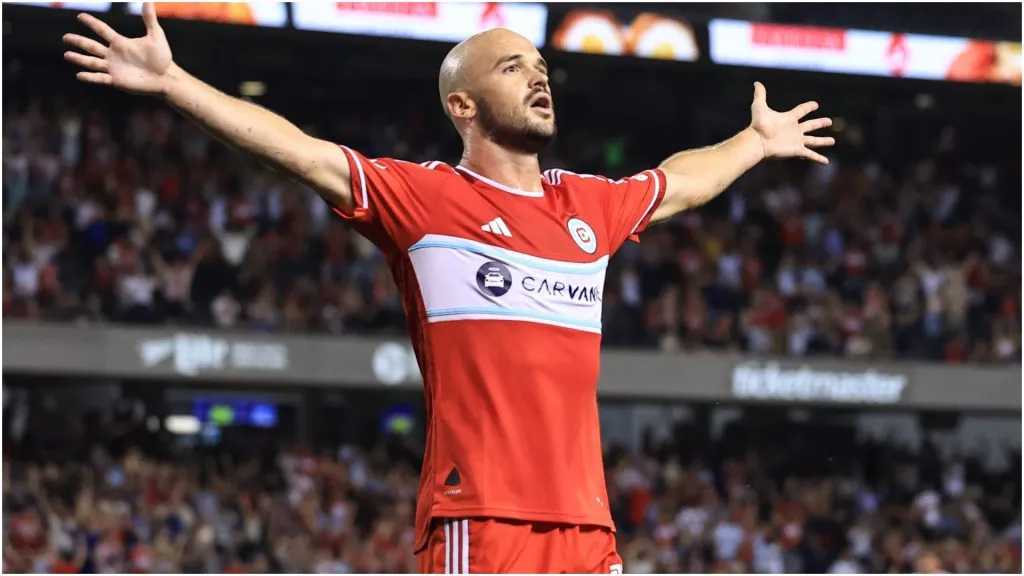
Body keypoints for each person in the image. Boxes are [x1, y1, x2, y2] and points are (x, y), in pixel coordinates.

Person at [63, 4, 834, 573]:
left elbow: (678, 183)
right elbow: (297, 151)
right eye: (512, 68)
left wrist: (755, 141)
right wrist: (174, 83)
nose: (538, 76)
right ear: (461, 105)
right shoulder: (425, 199)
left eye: (539, 66)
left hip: (586, 526)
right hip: (481, 517)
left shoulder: (587, 206)